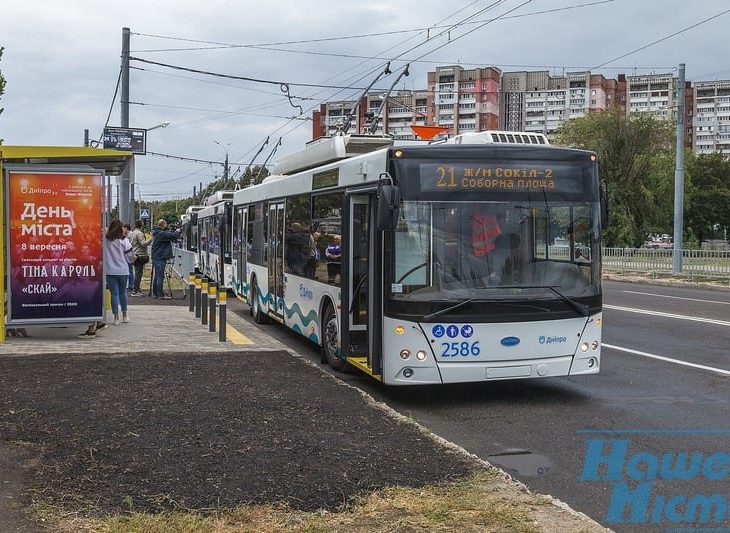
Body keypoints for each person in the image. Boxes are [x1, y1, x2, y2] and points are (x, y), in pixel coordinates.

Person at [103, 220, 131, 325]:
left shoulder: (106, 240)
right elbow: (130, 256)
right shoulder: (124, 241)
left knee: (114, 294)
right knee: (122, 293)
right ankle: (125, 315)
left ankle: (116, 318)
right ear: (120, 229)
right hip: (123, 270)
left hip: (110, 270)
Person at [151, 219, 179, 300]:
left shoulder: (157, 232)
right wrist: (177, 231)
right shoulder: (162, 233)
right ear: (164, 225)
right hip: (160, 257)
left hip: (156, 256)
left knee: (157, 276)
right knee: (160, 276)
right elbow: (173, 236)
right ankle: (160, 294)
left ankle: (155, 293)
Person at [128, 220, 152, 296]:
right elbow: (143, 244)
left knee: (137, 273)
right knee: (138, 274)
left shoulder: (133, 233)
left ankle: (136, 289)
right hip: (140, 255)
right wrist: (150, 239)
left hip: (135, 254)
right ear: (141, 225)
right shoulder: (139, 233)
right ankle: (135, 290)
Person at [123, 223, 134, 291]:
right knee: (130, 270)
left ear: (126, 228)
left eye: (124, 228)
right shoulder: (131, 234)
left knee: (129, 271)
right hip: (130, 255)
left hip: (128, 255)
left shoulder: (128, 235)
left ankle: (130, 285)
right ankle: (130, 285)